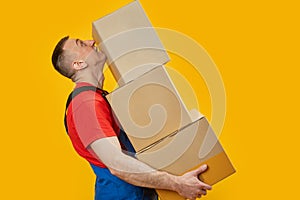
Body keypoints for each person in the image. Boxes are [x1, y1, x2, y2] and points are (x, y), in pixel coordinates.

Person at [51, 36, 212, 200]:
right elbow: (116, 163)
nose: (91, 42)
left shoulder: (97, 98)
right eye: (82, 44)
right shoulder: (85, 104)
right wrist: (177, 184)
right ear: (79, 64)